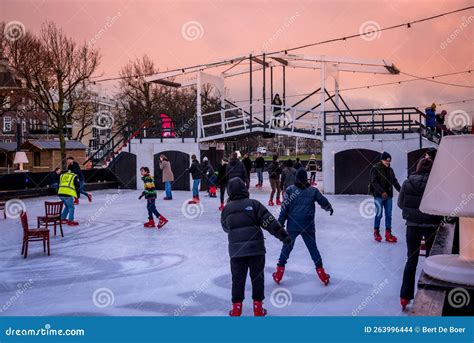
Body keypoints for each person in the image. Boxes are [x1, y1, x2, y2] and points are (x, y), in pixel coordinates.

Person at [221, 177, 291, 317]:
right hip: (256, 250)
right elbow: (270, 222)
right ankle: (258, 308)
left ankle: (236, 309)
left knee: (237, 280)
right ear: (244, 189)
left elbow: (225, 227)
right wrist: (284, 236)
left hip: (236, 252)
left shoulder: (227, 209)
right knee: (257, 278)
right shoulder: (254, 204)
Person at [272, 169, 334, 286]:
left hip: (293, 226)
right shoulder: (313, 191)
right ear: (306, 179)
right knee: (313, 249)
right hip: (308, 225)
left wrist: (280, 223)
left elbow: (284, 208)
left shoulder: (290, 190)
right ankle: (322, 274)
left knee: (287, 248)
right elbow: (323, 201)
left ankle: (279, 274)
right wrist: (329, 208)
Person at [398, 158, 442, 311]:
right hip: (431, 226)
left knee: (411, 260)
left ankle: (404, 296)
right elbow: (441, 205)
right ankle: (431, 296)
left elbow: (400, 203)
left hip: (412, 226)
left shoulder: (407, 182)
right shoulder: (435, 184)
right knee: (431, 261)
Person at [369, 151, 401, 243]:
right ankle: (376, 232)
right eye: (386, 161)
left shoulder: (390, 170)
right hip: (379, 196)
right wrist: (382, 191)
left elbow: (394, 181)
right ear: (382, 160)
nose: (388, 162)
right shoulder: (376, 168)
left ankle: (388, 234)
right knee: (379, 214)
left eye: (389, 161)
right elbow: (373, 181)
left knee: (389, 215)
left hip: (389, 197)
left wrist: (401, 190)